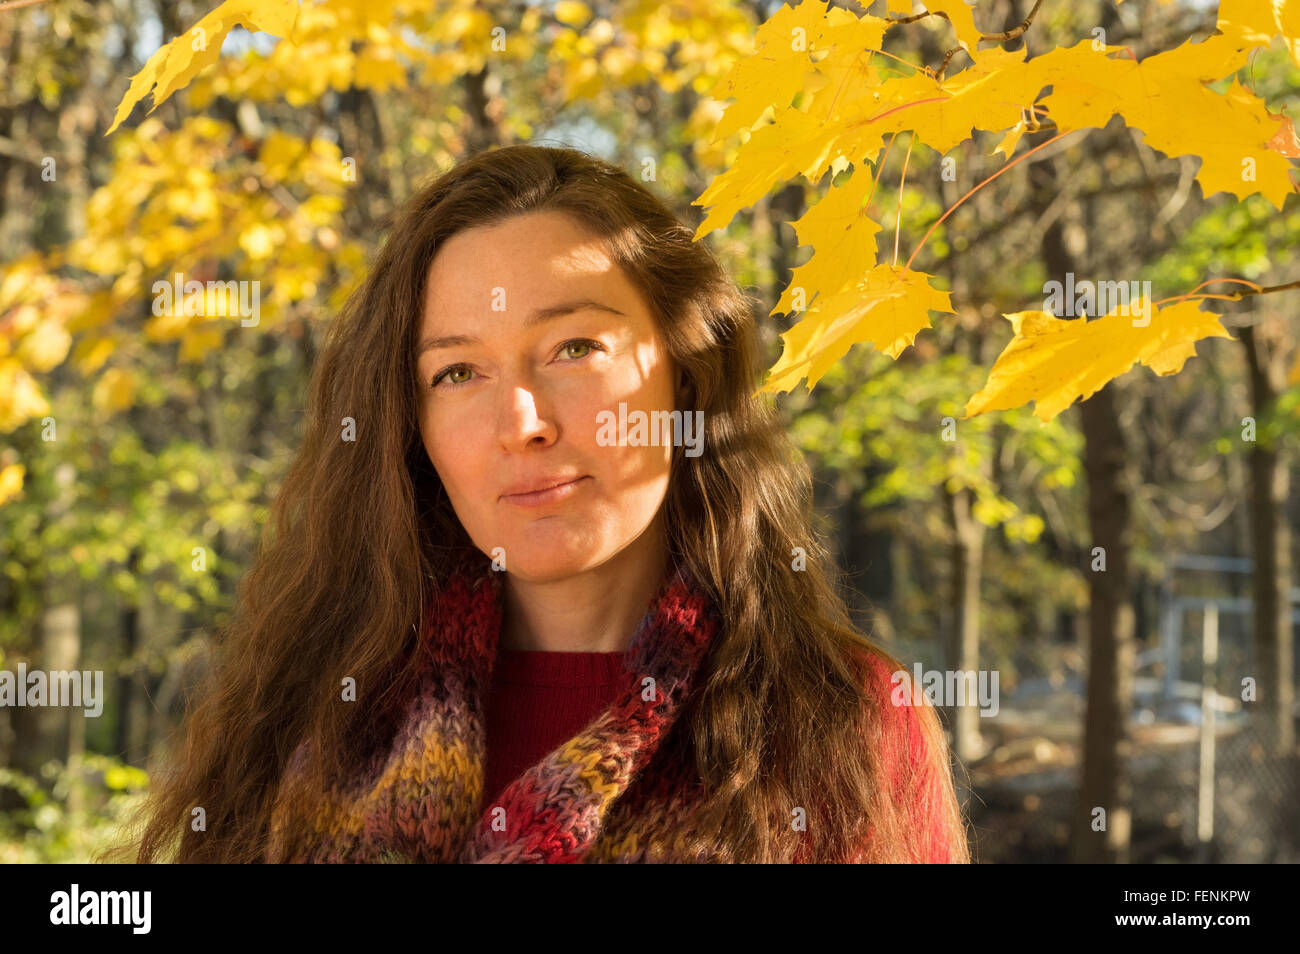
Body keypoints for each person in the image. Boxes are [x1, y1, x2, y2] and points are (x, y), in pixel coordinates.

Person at [113, 143, 970, 863]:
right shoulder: (303, 712)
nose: (519, 422)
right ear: (411, 428)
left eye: (572, 347)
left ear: (686, 370)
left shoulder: (841, 723)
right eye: (458, 372)